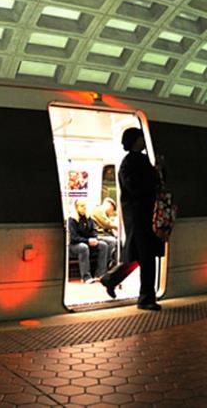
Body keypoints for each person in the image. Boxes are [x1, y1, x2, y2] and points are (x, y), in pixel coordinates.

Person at [101, 128, 164, 311]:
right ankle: (146, 298)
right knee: (146, 257)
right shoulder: (133, 162)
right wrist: (155, 176)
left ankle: (111, 279)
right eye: (141, 138)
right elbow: (139, 187)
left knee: (140, 255)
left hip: (138, 216)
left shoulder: (131, 162)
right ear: (134, 141)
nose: (143, 141)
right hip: (141, 216)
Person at [68, 199, 108, 284]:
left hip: (89, 241)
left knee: (103, 245)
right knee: (83, 247)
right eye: (82, 206)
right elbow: (74, 237)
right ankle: (86, 277)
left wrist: (95, 238)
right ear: (76, 207)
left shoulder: (88, 218)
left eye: (85, 206)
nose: (84, 208)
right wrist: (87, 240)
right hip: (75, 245)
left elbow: (94, 230)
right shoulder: (72, 220)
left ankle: (100, 274)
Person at [91, 197, 119, 267]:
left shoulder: (104, 213)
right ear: (109, 205)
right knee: (112, 241)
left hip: (101, 234)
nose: (112, 212)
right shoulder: (98, 210)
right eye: (112, 209)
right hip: (96, 234)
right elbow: (107, 223)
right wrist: (117, 227)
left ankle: (112, 261)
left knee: (117, 240)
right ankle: (107, 263)